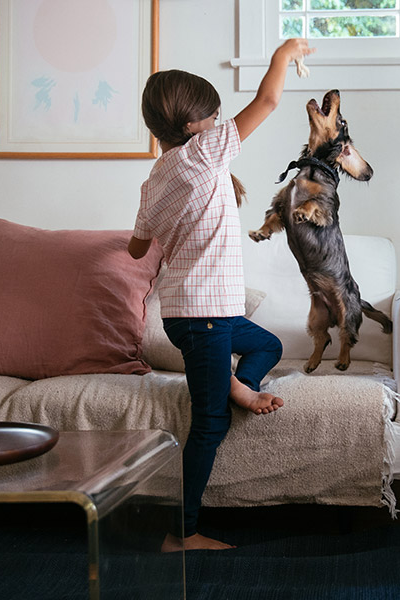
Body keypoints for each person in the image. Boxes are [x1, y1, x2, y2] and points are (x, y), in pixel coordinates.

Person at [128, 38, 315, 551]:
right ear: (192, 127)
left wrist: (174, 227)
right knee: (209, 424)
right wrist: (283, 54)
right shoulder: (203, 153)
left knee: (267, 346)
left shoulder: (154, 181)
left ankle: (239, 385)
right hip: (204, 316)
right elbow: (269, 102)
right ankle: (182, 535)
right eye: (212, 117)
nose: (217, 123)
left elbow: (134, 247)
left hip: (196, 313)